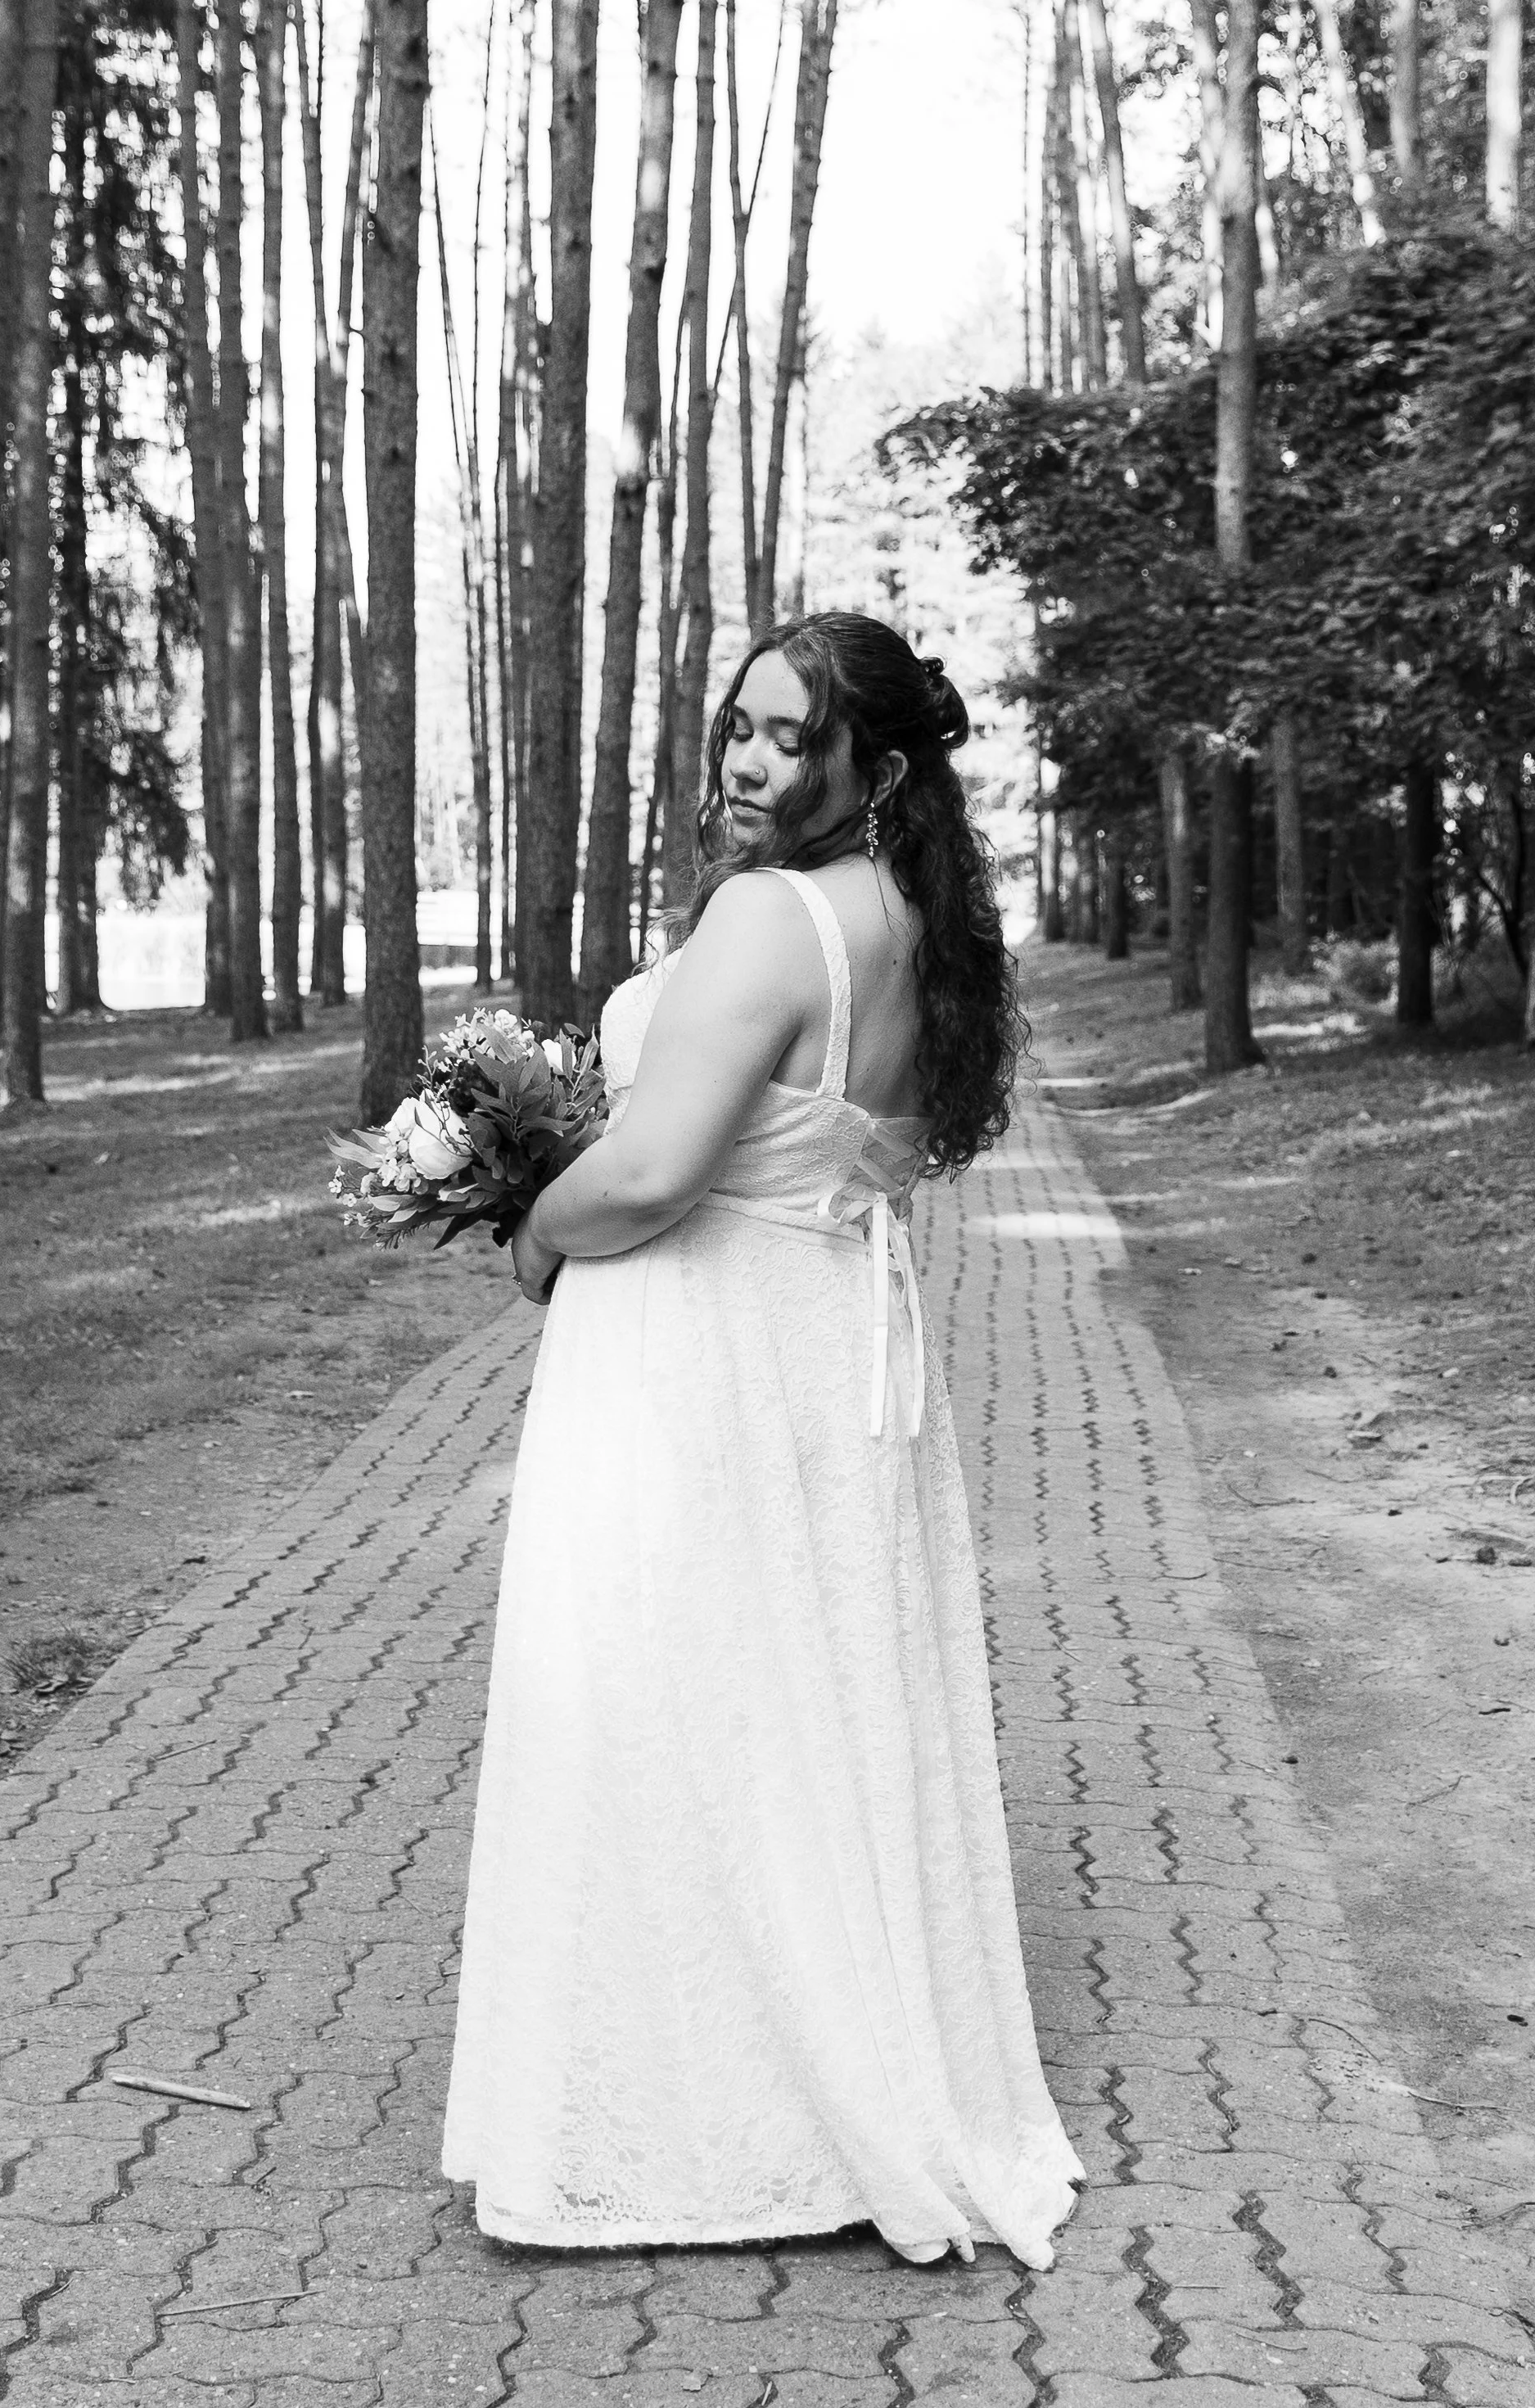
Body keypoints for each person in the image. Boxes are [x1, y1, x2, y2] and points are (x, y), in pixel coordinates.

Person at [441, 610, 1082, 2270]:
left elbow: (653, 1175)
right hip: (821, 1338)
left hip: (699, 1350)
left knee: (666, 1708)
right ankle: (825, 2072)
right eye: (737, 721)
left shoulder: (763, 918)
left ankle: (682, 2117)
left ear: (871, 764)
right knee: (802, 1703)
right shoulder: (904, 918)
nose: (747, 758)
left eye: (790, 735)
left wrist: (529, 1227)